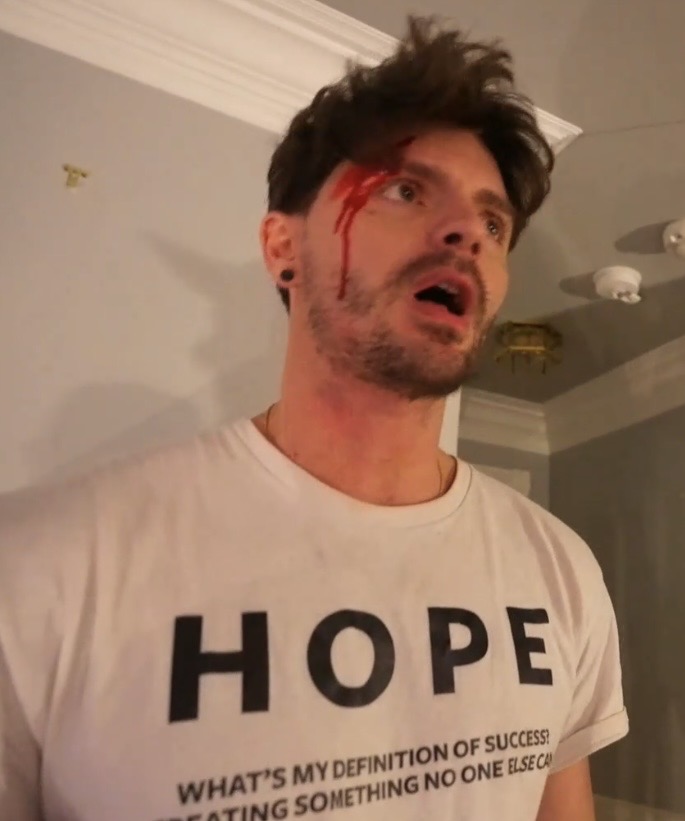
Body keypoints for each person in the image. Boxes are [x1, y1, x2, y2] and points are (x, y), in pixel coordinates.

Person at [0, 16, 628, 821]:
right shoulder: (41, 566)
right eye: (404, 190)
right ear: (281, 248)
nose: (467, 233)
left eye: (493, 222)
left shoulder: (561, 570)